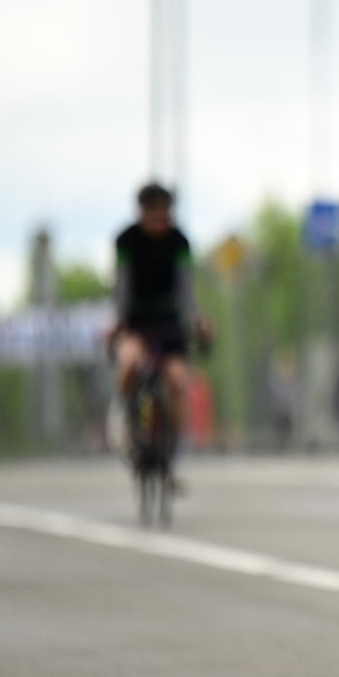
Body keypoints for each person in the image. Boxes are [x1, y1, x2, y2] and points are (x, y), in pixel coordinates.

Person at [111, 184, 204, 473]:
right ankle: (125, 418)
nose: (157, 218)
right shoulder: (126, 240)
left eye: (163, 211)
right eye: (151, 211)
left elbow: (186, 288)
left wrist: (196, 320)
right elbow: (122, 285)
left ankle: (174, 448)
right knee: (128, 363)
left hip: (169, 322)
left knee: (176, 380)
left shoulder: (180, 242)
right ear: (141, 212)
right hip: (136, 321)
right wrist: (119, 320)